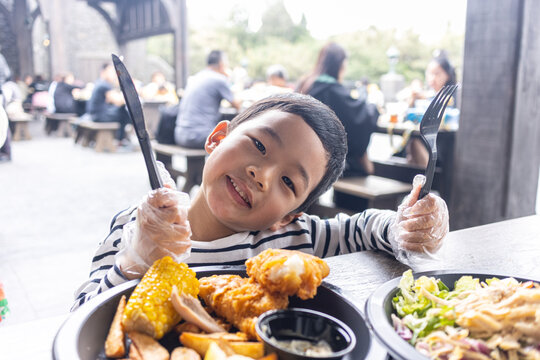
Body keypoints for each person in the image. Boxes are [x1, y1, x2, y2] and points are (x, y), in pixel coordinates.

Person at [72, 93, 449, 310]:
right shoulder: (137, 230)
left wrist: (406, 227)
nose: (262, 174)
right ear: (217, 138)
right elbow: (79, 315)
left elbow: (365, 227)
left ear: (290, 215)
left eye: (288, 181)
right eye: (259, 145)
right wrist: (134, 263)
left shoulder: (295, 241)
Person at [297, 42, 378, 178]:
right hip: (321, 162)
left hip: (301, 154)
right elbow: (358, 119)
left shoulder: (306, 84)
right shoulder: (331, 89)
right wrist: (373, 107)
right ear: (339, 64)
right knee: (358, 165)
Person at [399, 51, 458, 166]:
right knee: (411, 143)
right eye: (429, 73)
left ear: (448, 75)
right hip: (426, 139)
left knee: (414, 142)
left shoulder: (453, 95)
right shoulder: (427, 96)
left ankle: (430, 180)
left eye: (437, 73)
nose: (432, 78)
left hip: (443, 146)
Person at [174, 50, 241, 149]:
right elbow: (237, 105)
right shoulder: (219, 79)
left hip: (180, 134)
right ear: (222, 64)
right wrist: (234, 79)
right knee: (238, 140)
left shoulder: (197, 77)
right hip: (198, 136)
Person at [85, 63, 131, 142]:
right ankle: (121, 140)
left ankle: (122, 139)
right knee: (124, 113)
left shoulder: (99, 82)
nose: (114, 74)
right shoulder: (104, 85)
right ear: (104, 72)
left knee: (122, 112)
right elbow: (118, 101)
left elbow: (111, 99)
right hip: (99, 116)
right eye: (112, 72)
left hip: (95, 115)